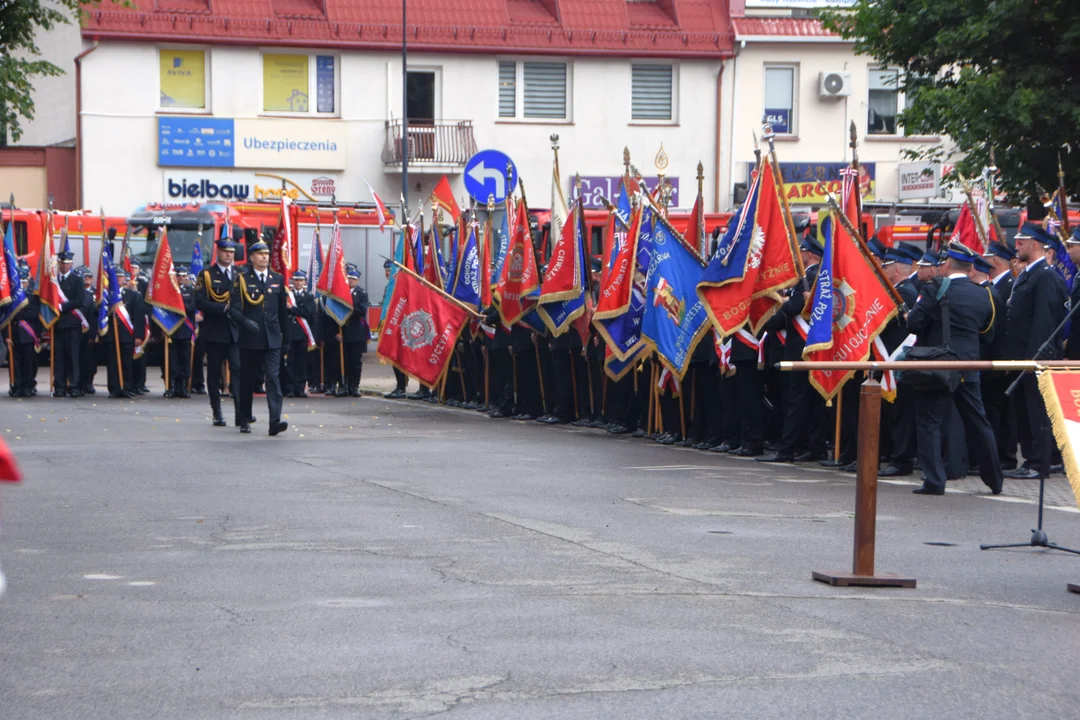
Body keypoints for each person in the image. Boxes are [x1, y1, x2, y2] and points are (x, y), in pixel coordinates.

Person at [907, 241, 1003, 496]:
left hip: (938, 365)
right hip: (968, 364)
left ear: (947, 264)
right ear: (972, 268)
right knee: (978, 421)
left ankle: (935, 480)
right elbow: (987, 331)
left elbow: (914, 324)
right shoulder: (984, 294)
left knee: (929, 421)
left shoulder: (933, 288)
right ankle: (995, 480)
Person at [1004, 226, 1068, 479]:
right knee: (1025, 410)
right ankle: (1036, 458)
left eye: (1021, 241)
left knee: (1037, 411)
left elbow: (1044, 322)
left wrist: (1034, 360)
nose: (1016, 245)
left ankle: (1038, 462)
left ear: (1035, 244)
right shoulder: (1029, 274)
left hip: (1035, 358)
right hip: (1023, 357)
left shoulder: (1045, 276)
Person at [757, 235, 825, 463]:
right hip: (804, 348)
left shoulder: (814, 277)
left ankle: (787, 449)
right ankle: (812, 447)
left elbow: (794, 307)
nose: (799, 255)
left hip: (801, 348)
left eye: (802, 251)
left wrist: (784, 303)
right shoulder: (806, 279)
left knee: (797, 400)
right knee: (807, 399)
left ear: (811, 254)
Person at [230, 241, 288, 436]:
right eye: (260, 254)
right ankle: (245, 417)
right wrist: (244, 322)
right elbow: (234, 309)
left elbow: (282, 312)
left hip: (272, 338)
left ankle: (275, 421)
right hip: (251, 338)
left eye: (266, 253)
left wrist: (285, 338)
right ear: (252, 257)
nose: (264, 257)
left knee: (273, 378)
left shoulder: (277, 279)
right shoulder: (242, 279)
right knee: (248, 379)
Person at [195, 237, 241, 426]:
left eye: (231, 252)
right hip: (215, 331)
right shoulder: (206, 274)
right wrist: (222, 308)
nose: (228, 255)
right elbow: (198, 301)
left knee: (238, 370)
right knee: (215, 373)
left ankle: (241, 411)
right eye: (225, 252)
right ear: (218, 252)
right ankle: (217, 410)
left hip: (236, 332)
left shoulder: (241, 273)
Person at [52, 250, 86, 397]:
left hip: (72, 324)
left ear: (71, 264)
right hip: (58, 324)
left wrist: (62, 307)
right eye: (62, 263)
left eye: (67, 263)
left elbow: (79, 301)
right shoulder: (54, 281)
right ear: (58, 263)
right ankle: (59, 386)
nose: (64, 266)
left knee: (73, 357)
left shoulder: (77, 280)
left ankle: (74, 386)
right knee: (59, 357)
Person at [104, 269, 136, 399]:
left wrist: (138, 335)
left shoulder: (132, 295)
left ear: (125, 279)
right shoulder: (107, 295)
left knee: (127, 363)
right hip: (112, 335)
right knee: (112, 364)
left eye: (121, 277)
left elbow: (137, 316)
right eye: (116, 277)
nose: (118, 279)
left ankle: (127, 387)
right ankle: (114, 388)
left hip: (127, 334)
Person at [165, 266, 196, 399]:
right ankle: (171, 387)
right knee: (172, 359)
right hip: (172, 329)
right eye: (179, 276)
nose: (181, 278)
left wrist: (180, 306)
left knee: (184, 358)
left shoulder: (190, 291)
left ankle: (183, 387)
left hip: (185, 329)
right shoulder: (169, 291)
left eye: (184, 276)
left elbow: (193, 307)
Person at [284, 270, 316, 398]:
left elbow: (308, 313)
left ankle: (300, 388)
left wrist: (292, 308)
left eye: (300, 280)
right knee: (290, 362)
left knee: (302, 362)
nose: (298, 283)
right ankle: (290, 388)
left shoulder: (308, 297)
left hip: (302, 333)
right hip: (289, 332)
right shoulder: (287, 296)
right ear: (292, 281)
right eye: (296, 280)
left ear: (304, 282)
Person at [9, 270, 40, 397]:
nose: (23, 284)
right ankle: (16, 386)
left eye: (24, 282)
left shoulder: (32, 295)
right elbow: (6, 315)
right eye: (20, 282)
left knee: (29, 362)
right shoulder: (12, 296)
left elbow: (34, 313)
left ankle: (28, 386)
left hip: (28, 334)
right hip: (15, 334)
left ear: (28, 280)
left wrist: (17, 314)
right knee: (15, 363)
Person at [342, 267, 370, 397]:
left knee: (355, 362)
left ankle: (355, 385)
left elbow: (362, 311)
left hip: (356, 332)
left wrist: (349, 307)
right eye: (349, 279)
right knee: (345, 360)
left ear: (357, 280)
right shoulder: (341, 292)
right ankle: (345, 385)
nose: (351, 281)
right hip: (343, 331)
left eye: (353, 279)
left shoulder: (362, 293)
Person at [77, 267, 98, 394]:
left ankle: (88, 382)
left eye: (89, 277)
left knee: (91, 360)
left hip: (91, 331)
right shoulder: (76, 292)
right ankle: (78, 383)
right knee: (78, 359)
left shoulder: (97, 293)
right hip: (77, 331)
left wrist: (93, 334)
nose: (87, 280)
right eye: (85, 277)